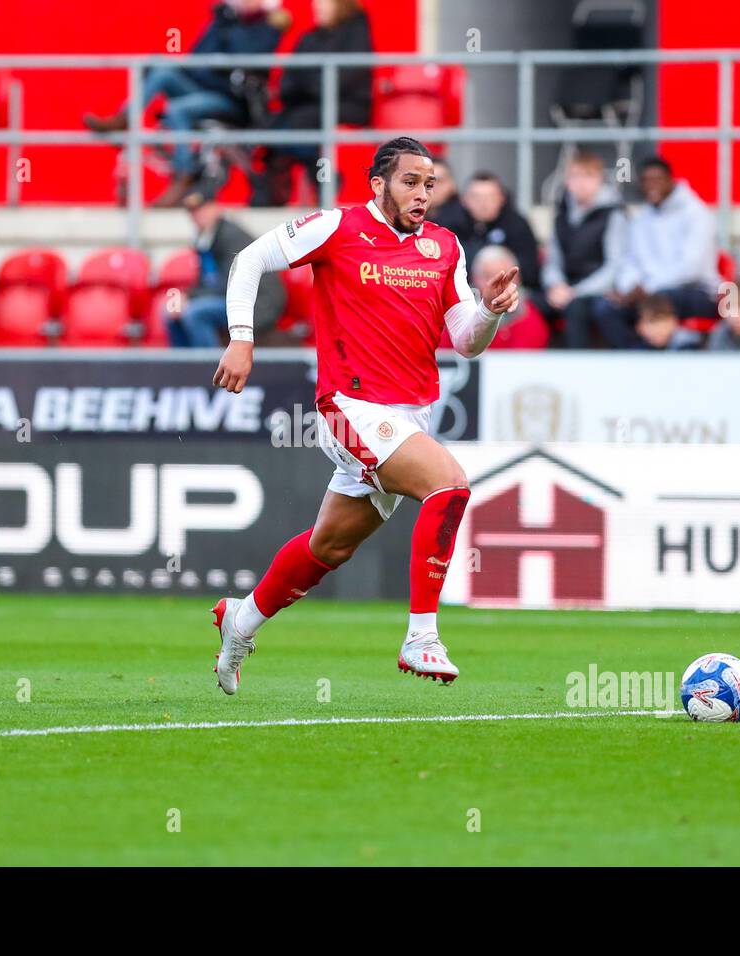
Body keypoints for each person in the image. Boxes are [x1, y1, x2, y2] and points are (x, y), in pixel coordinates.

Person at [208, 137, 519, 692]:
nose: (422, 194)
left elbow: (465, 341)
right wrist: (241, 339)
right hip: (350, 405)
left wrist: (490, 314)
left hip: (408, 415)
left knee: (330, 546)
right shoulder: (338, 227)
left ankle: (242, 618)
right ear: (378, 184)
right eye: (410, 182)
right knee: (448, 486)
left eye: (429, 184)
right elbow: (249, 259)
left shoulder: (444, 247)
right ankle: (421, 637)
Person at [83, 0, 288, 207]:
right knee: (161, 67)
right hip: (204, 88)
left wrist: (230, 25)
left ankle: (184, 175)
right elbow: (197, 58)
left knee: (178, 109)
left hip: (232, 99)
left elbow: (242, 56)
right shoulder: (224, 20)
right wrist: (222, 23)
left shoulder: (267, 27)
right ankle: (125, 118)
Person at [587, 157, 718, 349]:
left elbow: (691, 268)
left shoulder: (696, 213)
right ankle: (639, 358)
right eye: (646, 181)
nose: (651, 186)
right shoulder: (640, 219)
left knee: (662, 301)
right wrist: (628, 289)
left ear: (670, 180)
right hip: (647, 293)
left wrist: (647, 288)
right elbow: (631, 261)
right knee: (606, 309)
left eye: (657, 179)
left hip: (695, 291)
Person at [252, 0, 372, 207]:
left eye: (323, 5)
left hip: (347, 105)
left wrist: (309, 84)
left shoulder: (356, 34)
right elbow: (289, 80)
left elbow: (346, 79)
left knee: (298, 124)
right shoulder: (310, 38)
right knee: (272, 126)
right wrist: (309, 85)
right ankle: (281, 189)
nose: (317, 10)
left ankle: (321, 180)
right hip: (307, 105)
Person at [168, 184, 285, 347]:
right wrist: (185, 297)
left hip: (258, 302)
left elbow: (232, 281)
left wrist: (191, 298)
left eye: (202, 209)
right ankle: (183, 368)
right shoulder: (205, 238)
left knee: (195, 313)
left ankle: (209, 367)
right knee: (171, 312)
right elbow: (207, 280)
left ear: (215, 208)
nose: (197, 215)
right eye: (193, 211)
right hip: (232, 297)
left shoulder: (231, 235)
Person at [542, 150, 627, 348]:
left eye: (588, 176)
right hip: (565, 289)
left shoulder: (614, 215)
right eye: (575, 176)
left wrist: (576, 292)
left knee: (576, 309)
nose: (581, 183)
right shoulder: (560, 214)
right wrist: (555, 285)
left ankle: (575, 372)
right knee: (526, 306)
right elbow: (552, 260)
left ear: (600, 180)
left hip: (596, 291)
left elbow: (614, 266)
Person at [444, 171, 541, 303]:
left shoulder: (517, 225)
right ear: (464, 200)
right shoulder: (449, 226)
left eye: (490, 197)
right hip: (464, 294)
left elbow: (529, 270)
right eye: (476, 197)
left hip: (512, 292)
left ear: (502, 198)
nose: (483, 204)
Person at [633, 294, 701, 351]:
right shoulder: (634, 350)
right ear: (639, 326)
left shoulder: (689, 344)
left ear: (674, 322)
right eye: (652, 322)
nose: (657, 329)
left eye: (662, 321)